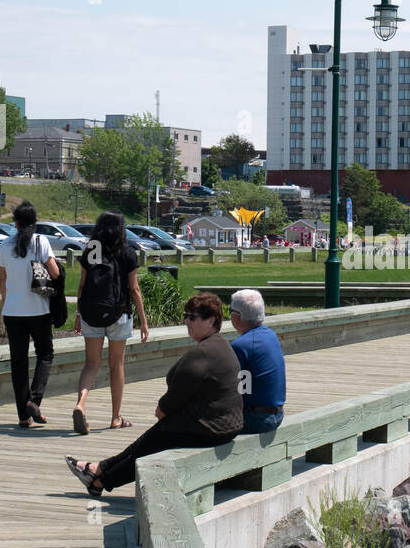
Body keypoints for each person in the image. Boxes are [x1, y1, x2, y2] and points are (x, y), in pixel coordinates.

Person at [66, 292, 242, 496]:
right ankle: (99, 470)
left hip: (212, 429)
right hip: (225, 426)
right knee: (155, 436)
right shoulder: (220, 345)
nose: (187, 321)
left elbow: (171, 402)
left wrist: (162, 411)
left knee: (156, 439)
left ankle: (100, 480)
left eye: (193, 317)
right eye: (186, 316)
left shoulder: (203, 352)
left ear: (211, 320)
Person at [71, 212, 149, 434]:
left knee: (91, 364)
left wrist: (78, 314)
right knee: (117, 365)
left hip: (90, 313)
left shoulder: (91, 250)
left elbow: (82, 286)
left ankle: (81, 404)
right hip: (118, 313)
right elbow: (134, 289)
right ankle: (115, 417)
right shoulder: (126, 251)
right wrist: (143, 322)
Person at [0, 200, 62, 428]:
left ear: (15, 223)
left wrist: (7, 305)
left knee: (19, 363)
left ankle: (23, 416)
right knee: (45, 355)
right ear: (34, 222)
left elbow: (2, 282)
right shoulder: (40, 241)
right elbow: (54, 273)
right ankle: (34, 401)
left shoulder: (5, 245)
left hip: (13, 313)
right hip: (38, 311)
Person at [229, 289, 287, 433]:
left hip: (257, 419)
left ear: (237, 316)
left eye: (230, 310)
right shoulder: (270, 335)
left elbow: (236, 390)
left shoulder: (240, 346)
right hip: (277, 414)